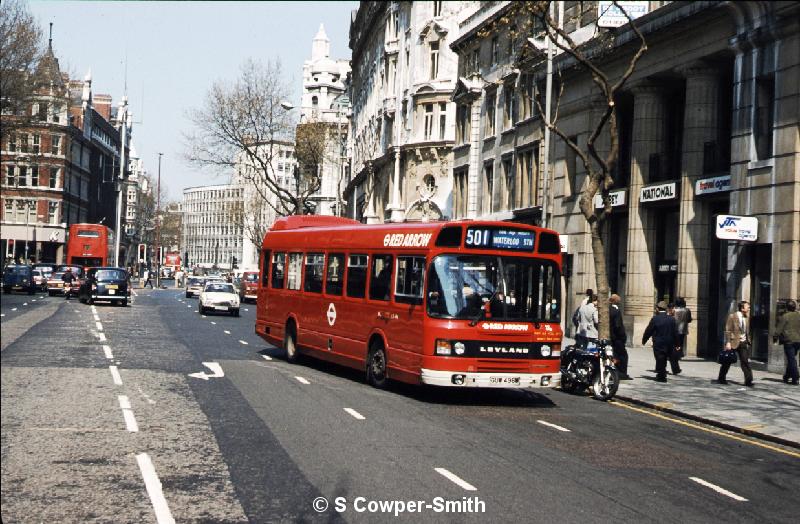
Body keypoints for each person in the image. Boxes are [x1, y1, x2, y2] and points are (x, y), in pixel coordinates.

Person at [642, 301, 680, 382]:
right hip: (669, 342)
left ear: (657, 309)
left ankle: (661, 375)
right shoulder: (671, 319)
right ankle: (662, 374)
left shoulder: (655, 319)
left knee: (660, 359)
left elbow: (649, 330)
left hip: (659, 342)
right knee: (665, 357)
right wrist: (677, 343)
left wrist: (644, 340)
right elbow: (675, 332)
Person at [718, 300, 753, 387]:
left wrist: (748, 340)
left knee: (745, 361)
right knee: (727, 361)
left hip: (743, 342)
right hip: (733, 341)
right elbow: (728, 330)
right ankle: (721, 378)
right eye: (747, 307)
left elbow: (747, 330)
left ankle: (748, 380)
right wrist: (728, 342)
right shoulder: (732, 316)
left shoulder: (746, 317)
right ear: (742, 308)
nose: (749, 308)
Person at [775, 300, 800, 385]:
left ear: (787, 307)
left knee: (791, 359)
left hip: (788, 341)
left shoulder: (785, 316)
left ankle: (795, 377)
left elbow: (779, 329)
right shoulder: (798, 315)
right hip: (798, 341)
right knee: (792, 358)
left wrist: (775, 337)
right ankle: (787, 376)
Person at [609, 294, 630, 379]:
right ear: (616, 301)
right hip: (617, 338)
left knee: (614, 354)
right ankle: (622, 373)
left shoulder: (607, 309)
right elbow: (618, 326)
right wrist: (622, 336)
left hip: (610, 336)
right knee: (623, 355)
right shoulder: (616, 311)